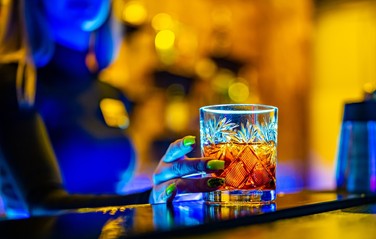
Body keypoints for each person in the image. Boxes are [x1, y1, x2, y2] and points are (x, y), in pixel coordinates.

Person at [0, 0, 225, 217]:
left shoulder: (110, 93)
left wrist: (169, 183)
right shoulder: (14, 84)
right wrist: (150, 199)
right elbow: (43, 204)